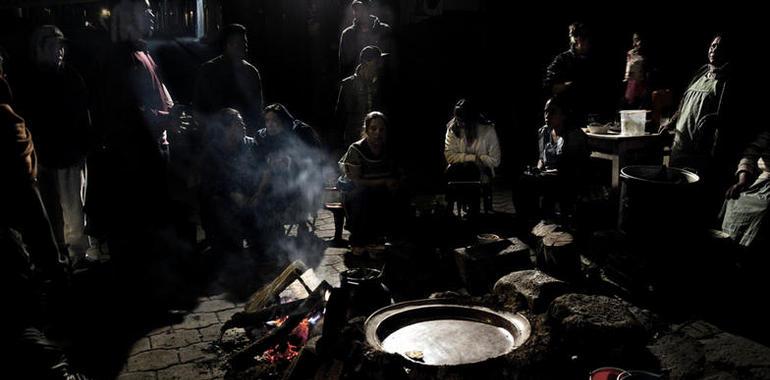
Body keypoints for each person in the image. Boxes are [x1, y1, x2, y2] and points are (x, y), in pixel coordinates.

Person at [17, 25, 93, 266]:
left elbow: (83, 115)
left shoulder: (71, 76)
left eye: (61, 47)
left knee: (74, 206)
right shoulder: (29, 80)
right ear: (40, 49)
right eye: (53, 46)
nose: (60, 52)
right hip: (45, 155)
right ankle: (58, 253)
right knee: (50, 209)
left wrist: (84, 145)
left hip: (70, 152)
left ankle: (78, 252)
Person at [660, 34, 748, 219]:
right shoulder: (701, 73)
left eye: (719, 46)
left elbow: (740, 119)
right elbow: (684, 104)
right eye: (712, 45)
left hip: (701, 153)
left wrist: (718, 119)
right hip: (680, 146)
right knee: (674, 198)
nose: (713, 49)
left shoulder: (730, 82)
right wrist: (671, 122)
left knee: (694, 203)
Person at [513, 97, 589, 226]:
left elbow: (571, 169)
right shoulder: (544, 132)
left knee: (536, 184)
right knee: (523, 181)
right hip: (548, 177)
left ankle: (544, 221)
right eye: (545, 112)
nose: (547, 116)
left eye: (552, 112)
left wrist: (547, 173)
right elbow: (542, 158)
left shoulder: (573, 136)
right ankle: (529, 223)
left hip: (567, 179)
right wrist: (538, 169)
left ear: (563, 115)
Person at [253, 103, 324, 238]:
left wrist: (291, 161)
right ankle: (273, 231)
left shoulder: (301, 132)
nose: (270, 124)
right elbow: (258, 162)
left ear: (284, 121)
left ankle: (301, 221)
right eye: (267, 120)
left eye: (275, 120)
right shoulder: (263, 137)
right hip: (274, 181)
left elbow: (316, 160)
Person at [338, 111, 404, 253]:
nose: (377, 133)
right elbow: (356, 181)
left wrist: (394, 183)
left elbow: (395, 175)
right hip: (356, 192)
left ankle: (389, 237)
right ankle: (358, 240)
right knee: (362, 194)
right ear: (366, 130)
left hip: (381, 190)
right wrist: (384, 181)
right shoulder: (356, 149)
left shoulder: (389, 150)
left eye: (381, 129)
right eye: (373, 129)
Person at [199, 108, 262, 252]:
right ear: (226, 128)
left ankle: (263, 251)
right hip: (225, 200)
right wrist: (232, 193)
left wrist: (256, 193)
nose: (243, 126)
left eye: (243, 122)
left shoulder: (251, 145)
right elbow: (210, 182)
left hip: (250, 196)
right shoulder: (213, 152)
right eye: (238, 124)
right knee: (218, 205)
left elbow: (261, 171)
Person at [193, 23, 264, 136]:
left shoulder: (251, 72)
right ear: (228, 45)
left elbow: (257, 111)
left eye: (245, 43)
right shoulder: (209, 70)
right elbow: (199, 109)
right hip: (214, 138)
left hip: (243, 138)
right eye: (240, 43)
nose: (245, 47)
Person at [544, 22, 615, 124]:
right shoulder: (563, 60)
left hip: (594, 119)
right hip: (571, 119)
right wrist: (569, 86)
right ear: (577, 40)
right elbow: (548, 86)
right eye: (588, 40)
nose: (590, 44)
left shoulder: (595, 60)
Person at [444, 98, 501, 214]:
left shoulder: (488, 130)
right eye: (459, 121)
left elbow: (495, 160)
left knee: (472, 171)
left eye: (464, 122)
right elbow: (450, 155)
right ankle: (449, 212)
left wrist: (480, 161)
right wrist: (474, 158)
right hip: (459, 170)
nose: (461, 126)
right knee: (455, 172)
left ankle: (473, 210)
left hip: (482, 171)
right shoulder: (453, 129)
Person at [333, 45, 390, 154]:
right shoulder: (348, 85)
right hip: (355, 139)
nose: (379, 65)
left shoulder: (382, 83)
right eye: (376, 62)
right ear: (365, 63)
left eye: (379, 61)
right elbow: (340, 116)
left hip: (377, 141)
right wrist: (338, 145)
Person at [722, 128, 770, 250]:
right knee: (733, 198)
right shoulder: (767, 135)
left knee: (764, 210)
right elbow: (750, 155)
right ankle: (731, 244)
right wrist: (741, 182)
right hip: (762, 180)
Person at [338, 0, 393, 77]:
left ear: (369, 9)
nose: (358, 12)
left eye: (361, 8)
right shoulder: (347, 34)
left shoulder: (384, 30)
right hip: (357, 85)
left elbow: (391, 61)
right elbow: (343, 65)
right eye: (355, 9)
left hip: (380, 83)